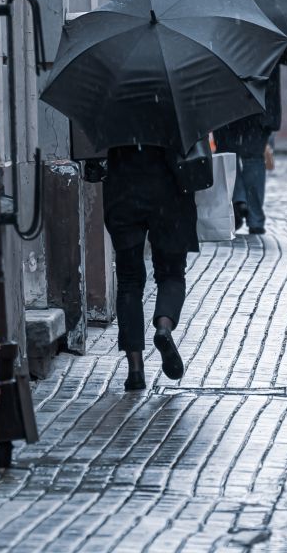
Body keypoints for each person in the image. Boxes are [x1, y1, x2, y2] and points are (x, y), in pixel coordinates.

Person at [101, 144, 197, 391]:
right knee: (171, 273)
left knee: (129, 281)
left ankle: (135, 369)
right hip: (169, 191)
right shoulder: (176, 108)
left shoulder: (113, 108)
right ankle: (163, 328)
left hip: (123, 192)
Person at [214, 43, 287, 234]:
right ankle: (255, 218)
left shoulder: (219, 28)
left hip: (227, 106)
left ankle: (239, 200)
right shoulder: (268, 30)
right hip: (259, 107)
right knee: (253, 159)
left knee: (227, 158)